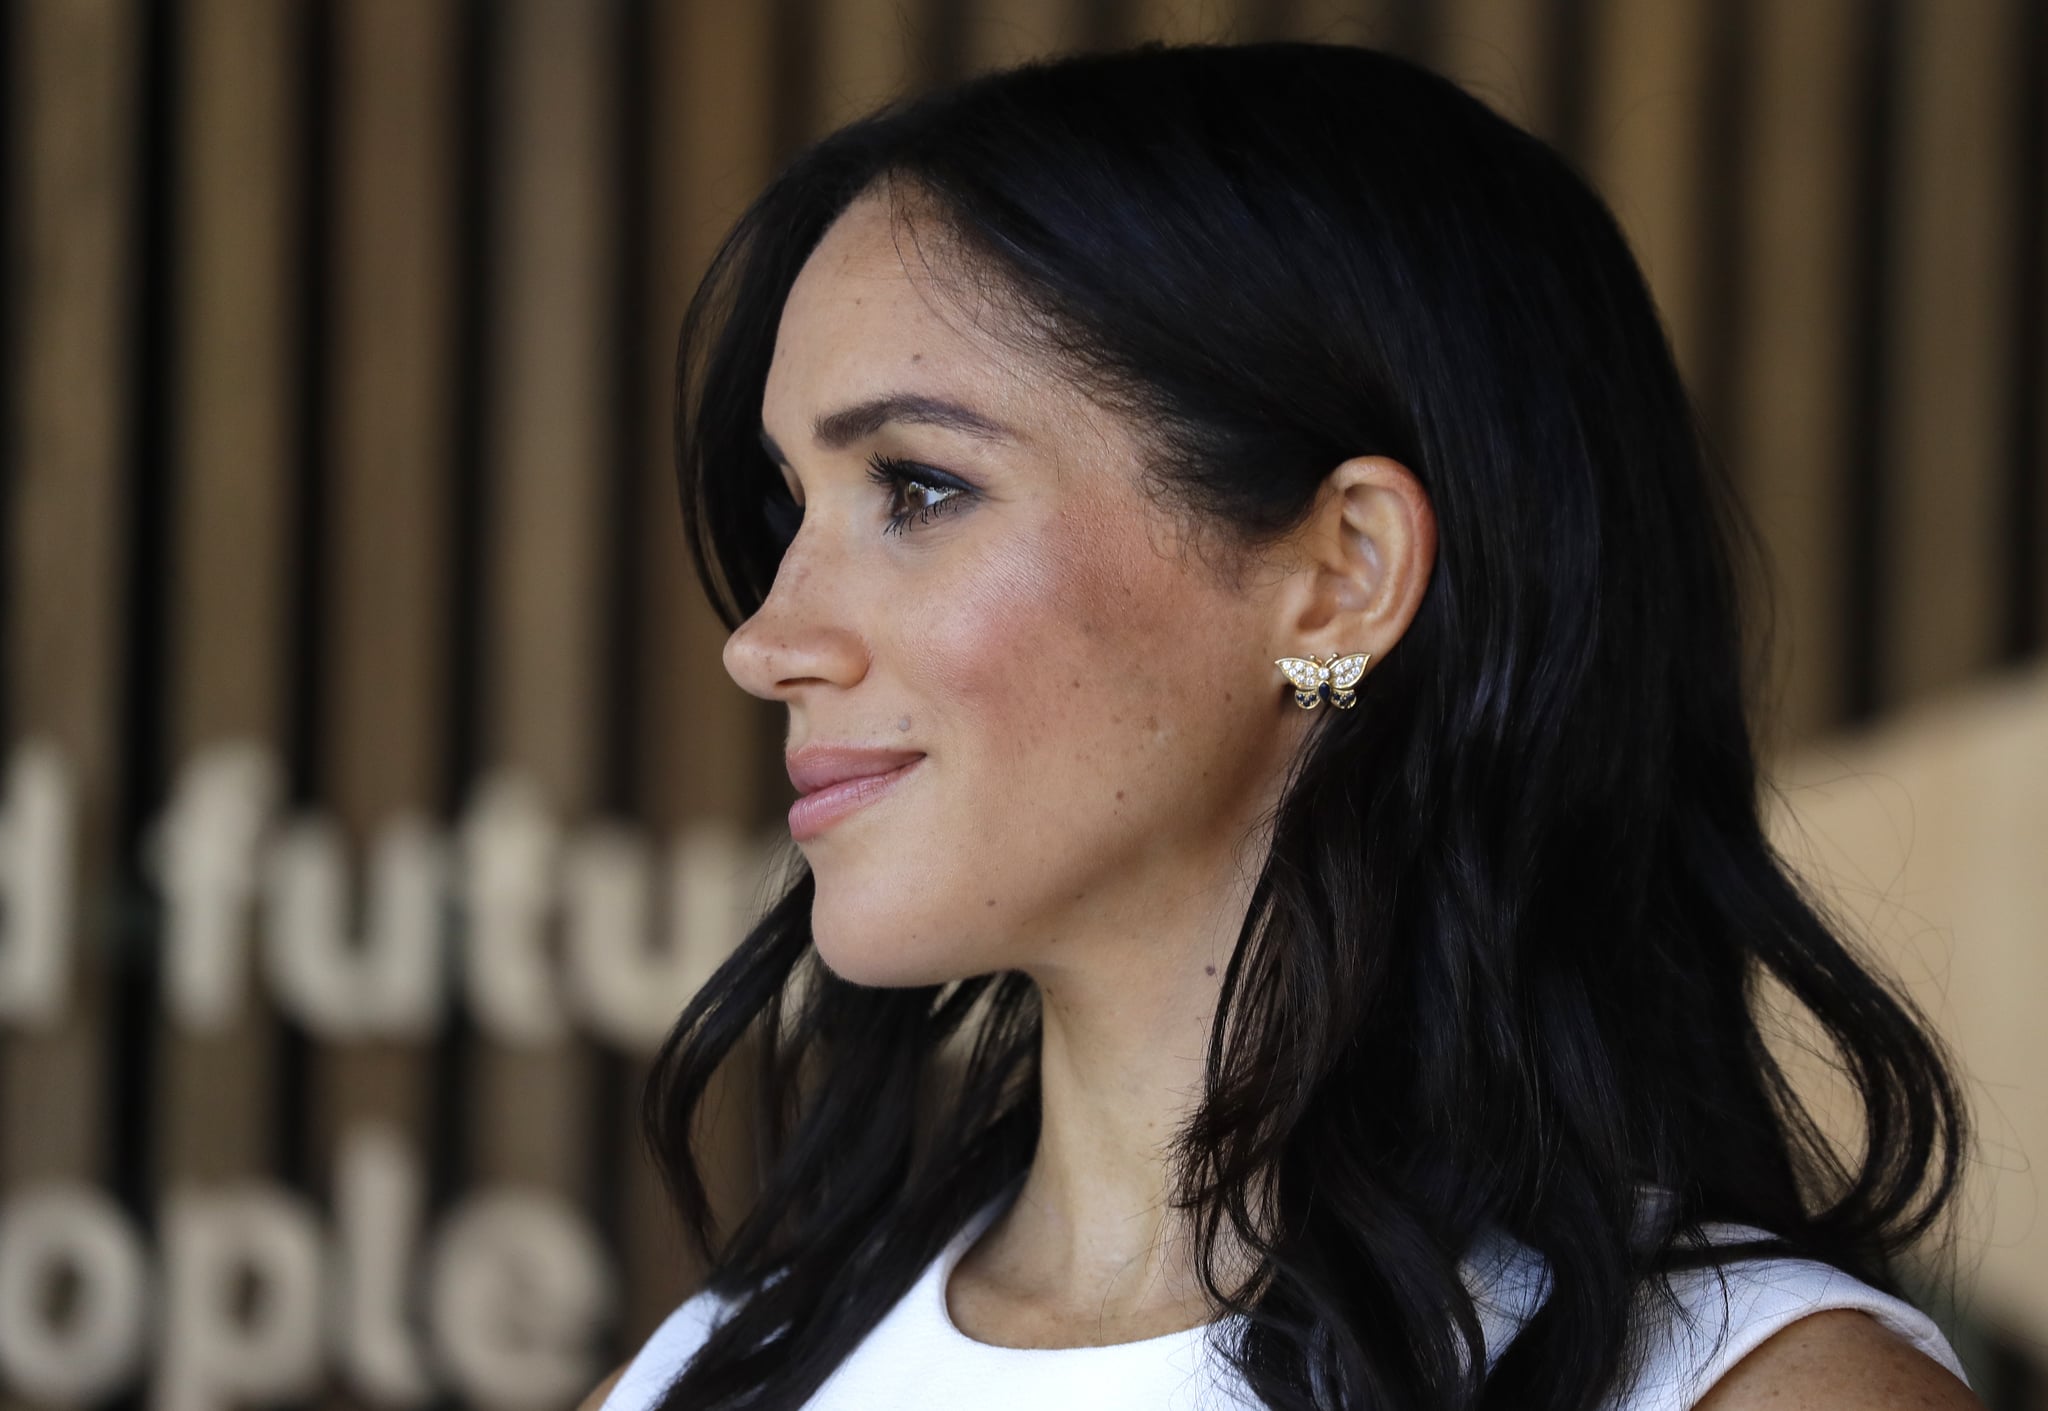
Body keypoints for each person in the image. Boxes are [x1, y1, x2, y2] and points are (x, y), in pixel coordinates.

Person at [586, 40, 1977, 1411]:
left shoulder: (1761, 1389)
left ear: (1340, 579)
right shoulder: (695, 1379)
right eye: (790, 509)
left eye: (920, 489)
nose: (765, 641)